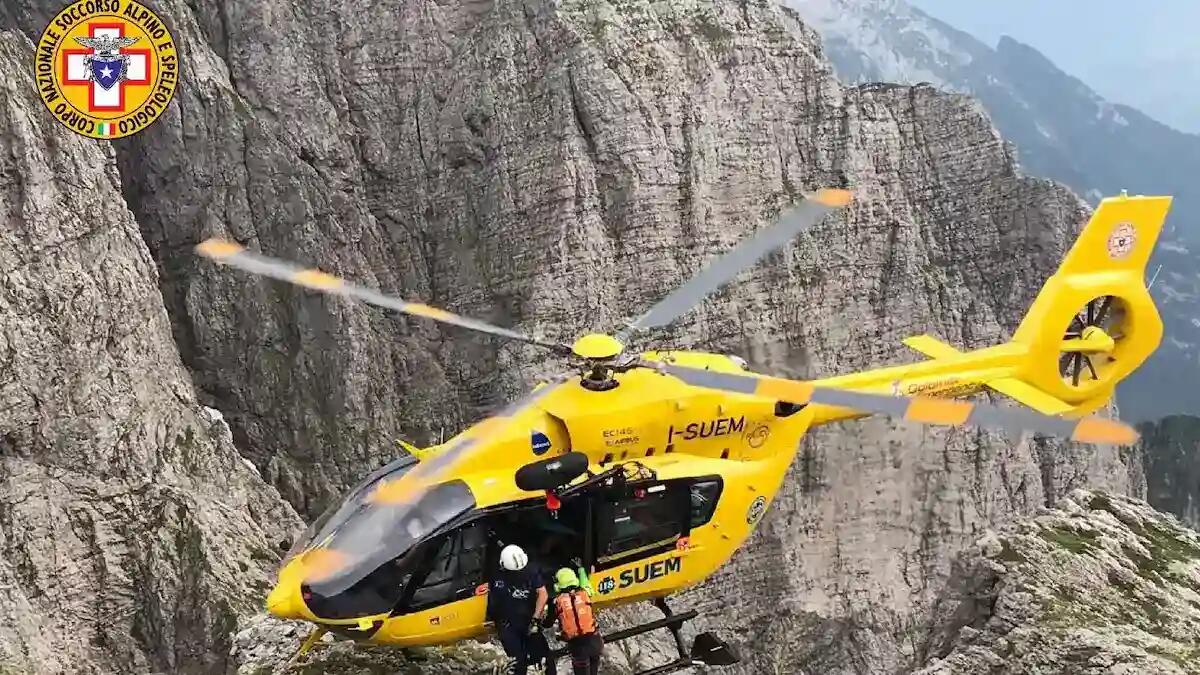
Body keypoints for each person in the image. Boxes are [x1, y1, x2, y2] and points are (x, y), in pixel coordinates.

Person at [487, 544, 555, 675]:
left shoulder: (531, 571)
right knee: (518, 661)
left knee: (544, 657)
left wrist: (535, 619)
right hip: (508, 624)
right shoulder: (497, 575)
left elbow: (543, 593)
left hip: (527, 620)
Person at [544, 565, 603, 675]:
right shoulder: (585, 593)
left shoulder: (557, 602)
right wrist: (581, 569)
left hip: (578, 646)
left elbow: (548, 623)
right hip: (595, 642)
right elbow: (585, 582)